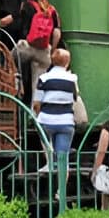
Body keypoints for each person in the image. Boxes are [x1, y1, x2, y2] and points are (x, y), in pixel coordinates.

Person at [32, 48, 77, 202]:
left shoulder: (44, 78)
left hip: (47, 120)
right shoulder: (72, 79)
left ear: (52, 61)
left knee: (43, 133)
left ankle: (49, 161)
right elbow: (74, 98)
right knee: (63, 158)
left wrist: (40, 113)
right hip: (66, 122)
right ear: (67, 62)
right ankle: (60, 192)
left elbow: (37, 103)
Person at [16, 0, 61, 104]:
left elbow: (21, 28)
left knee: (10, 57)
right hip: (44, 51)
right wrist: (51, 50)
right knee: (38, 87)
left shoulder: (27, 6)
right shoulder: (51, 10)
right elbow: (57, 33)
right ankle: (34, 113)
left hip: (27, 47)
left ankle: (18, 85)